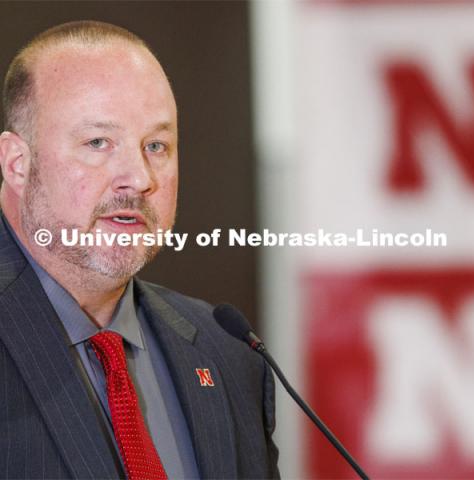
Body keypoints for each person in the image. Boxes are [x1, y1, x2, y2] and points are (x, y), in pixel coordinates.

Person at [0, 20, 279, 480]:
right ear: (17, 164)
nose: (140, 177)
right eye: (98, 143)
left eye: (156, 145)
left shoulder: (229, 354)